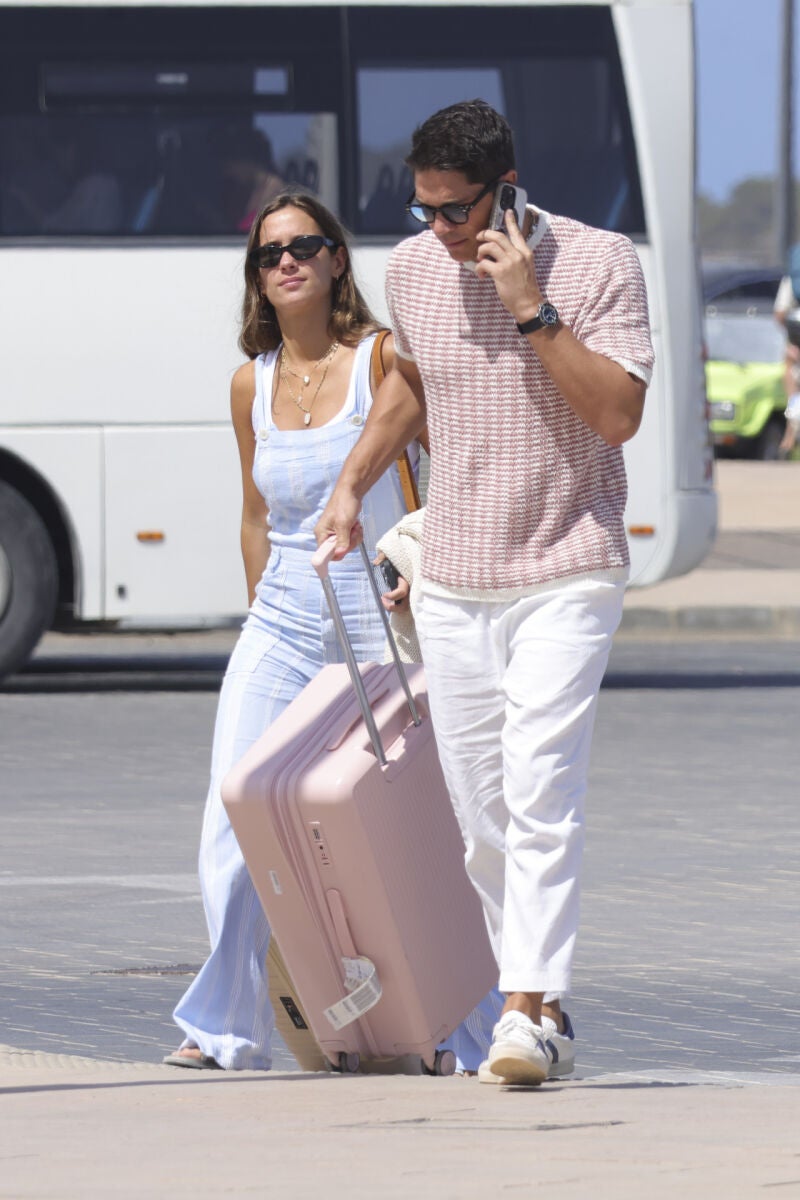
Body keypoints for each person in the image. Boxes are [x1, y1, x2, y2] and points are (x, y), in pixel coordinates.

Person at [316, 99, 655, 1086]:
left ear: (505, 190)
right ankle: (537, 1006)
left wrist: (530, 308)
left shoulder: (598, 261)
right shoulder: (414, 269)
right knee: (480, 818)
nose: (437, 231)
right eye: (422, 209)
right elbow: (411, 385)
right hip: (455, 575)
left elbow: (615, 414)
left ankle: (525, 1008)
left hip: (566, 559)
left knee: (542, 791)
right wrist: (351, 486)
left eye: (455, 211)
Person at [163, 190, 491, 1073]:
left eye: (307, 246)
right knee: (235, 812)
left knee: (411, 827)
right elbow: (253, 516)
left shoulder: (384, 359)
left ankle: (471, 1029)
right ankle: (225, 1027)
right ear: (257, 279)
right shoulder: (252, 383)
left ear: (338, 260)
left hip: (372, 614)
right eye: (270, 255)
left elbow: (445, 470)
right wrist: (257, 616)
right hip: (280, 618)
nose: (289, 262)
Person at [773, 264, 800, 457]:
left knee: (794, 389)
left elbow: (780, 313)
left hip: (794, 344)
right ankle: (789, 440)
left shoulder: (793, 277)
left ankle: (788, 442)